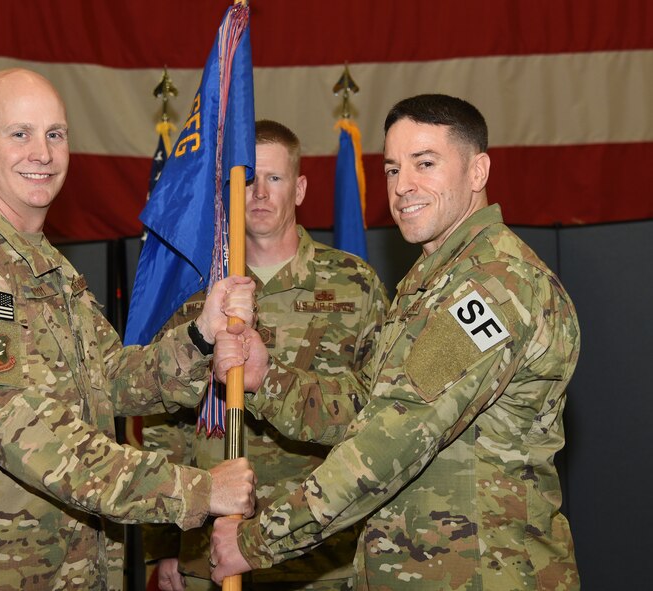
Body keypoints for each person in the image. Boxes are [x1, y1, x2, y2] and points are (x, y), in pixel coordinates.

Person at [0, 68, 258, 591]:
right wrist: (195, 490)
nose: (42, 153)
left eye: (55, 134)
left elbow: (110, 378)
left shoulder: (47, 269)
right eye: (20, 133)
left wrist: (199, 336)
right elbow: (31, 437)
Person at [210, 94, 581, 590]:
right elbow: (367, 407)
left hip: (481, 574)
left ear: (478, 171)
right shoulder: (428, 281)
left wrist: (258, 541)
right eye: (391, 169)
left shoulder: (494, 285)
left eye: (425, 164)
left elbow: (393, 438)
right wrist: (267, 380)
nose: (403, 185)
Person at [141, 119, 388, 591]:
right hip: (209, 552)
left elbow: (379, 412)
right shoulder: (200, 296)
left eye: (273, 179)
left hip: (321, 555)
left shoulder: (355, 287)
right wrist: (164, 545)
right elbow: (165, 424)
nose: (258, 193)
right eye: (246, 179)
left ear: (299, 189)